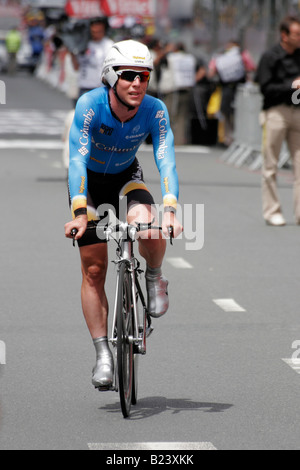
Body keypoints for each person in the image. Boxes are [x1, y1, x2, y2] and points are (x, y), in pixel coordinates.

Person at [64, 40, 183, 390]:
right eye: (128, 75)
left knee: (149, 225)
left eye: (143, 76)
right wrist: (80, 212)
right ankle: (103, 353)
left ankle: (155, 276)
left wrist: (172, 210)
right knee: (95, 269)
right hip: (88, 184)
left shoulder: (154, 109)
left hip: (126, 176)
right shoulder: (90, 105)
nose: (137, 83)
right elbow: (76, 160)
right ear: (110, 77)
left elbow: (167, 159)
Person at [256, 16, 300, 226]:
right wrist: (292, 86)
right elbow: (265, 88)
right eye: (297, 34)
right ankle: (272, 211)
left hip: (297, 112)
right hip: (275, 112)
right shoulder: (270, 56)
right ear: (284, 35)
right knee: (270, 164)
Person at [208, 40, 256, 147]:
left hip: (226, 89)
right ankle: (235, 138)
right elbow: (252, 67)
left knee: (226, 113)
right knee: (239, 114)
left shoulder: (219, 56)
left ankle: (227, 138)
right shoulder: (242, 54)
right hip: (240, 89)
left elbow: (211, 72)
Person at [70, 17, 114, 101]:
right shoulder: (83, 43)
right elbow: (76, 67)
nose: (96, 34)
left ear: (104, 30)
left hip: (100, 88)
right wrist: (72, 52)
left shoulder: (109, 45)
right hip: (83, 87)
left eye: (99, 32)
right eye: (93, 32)